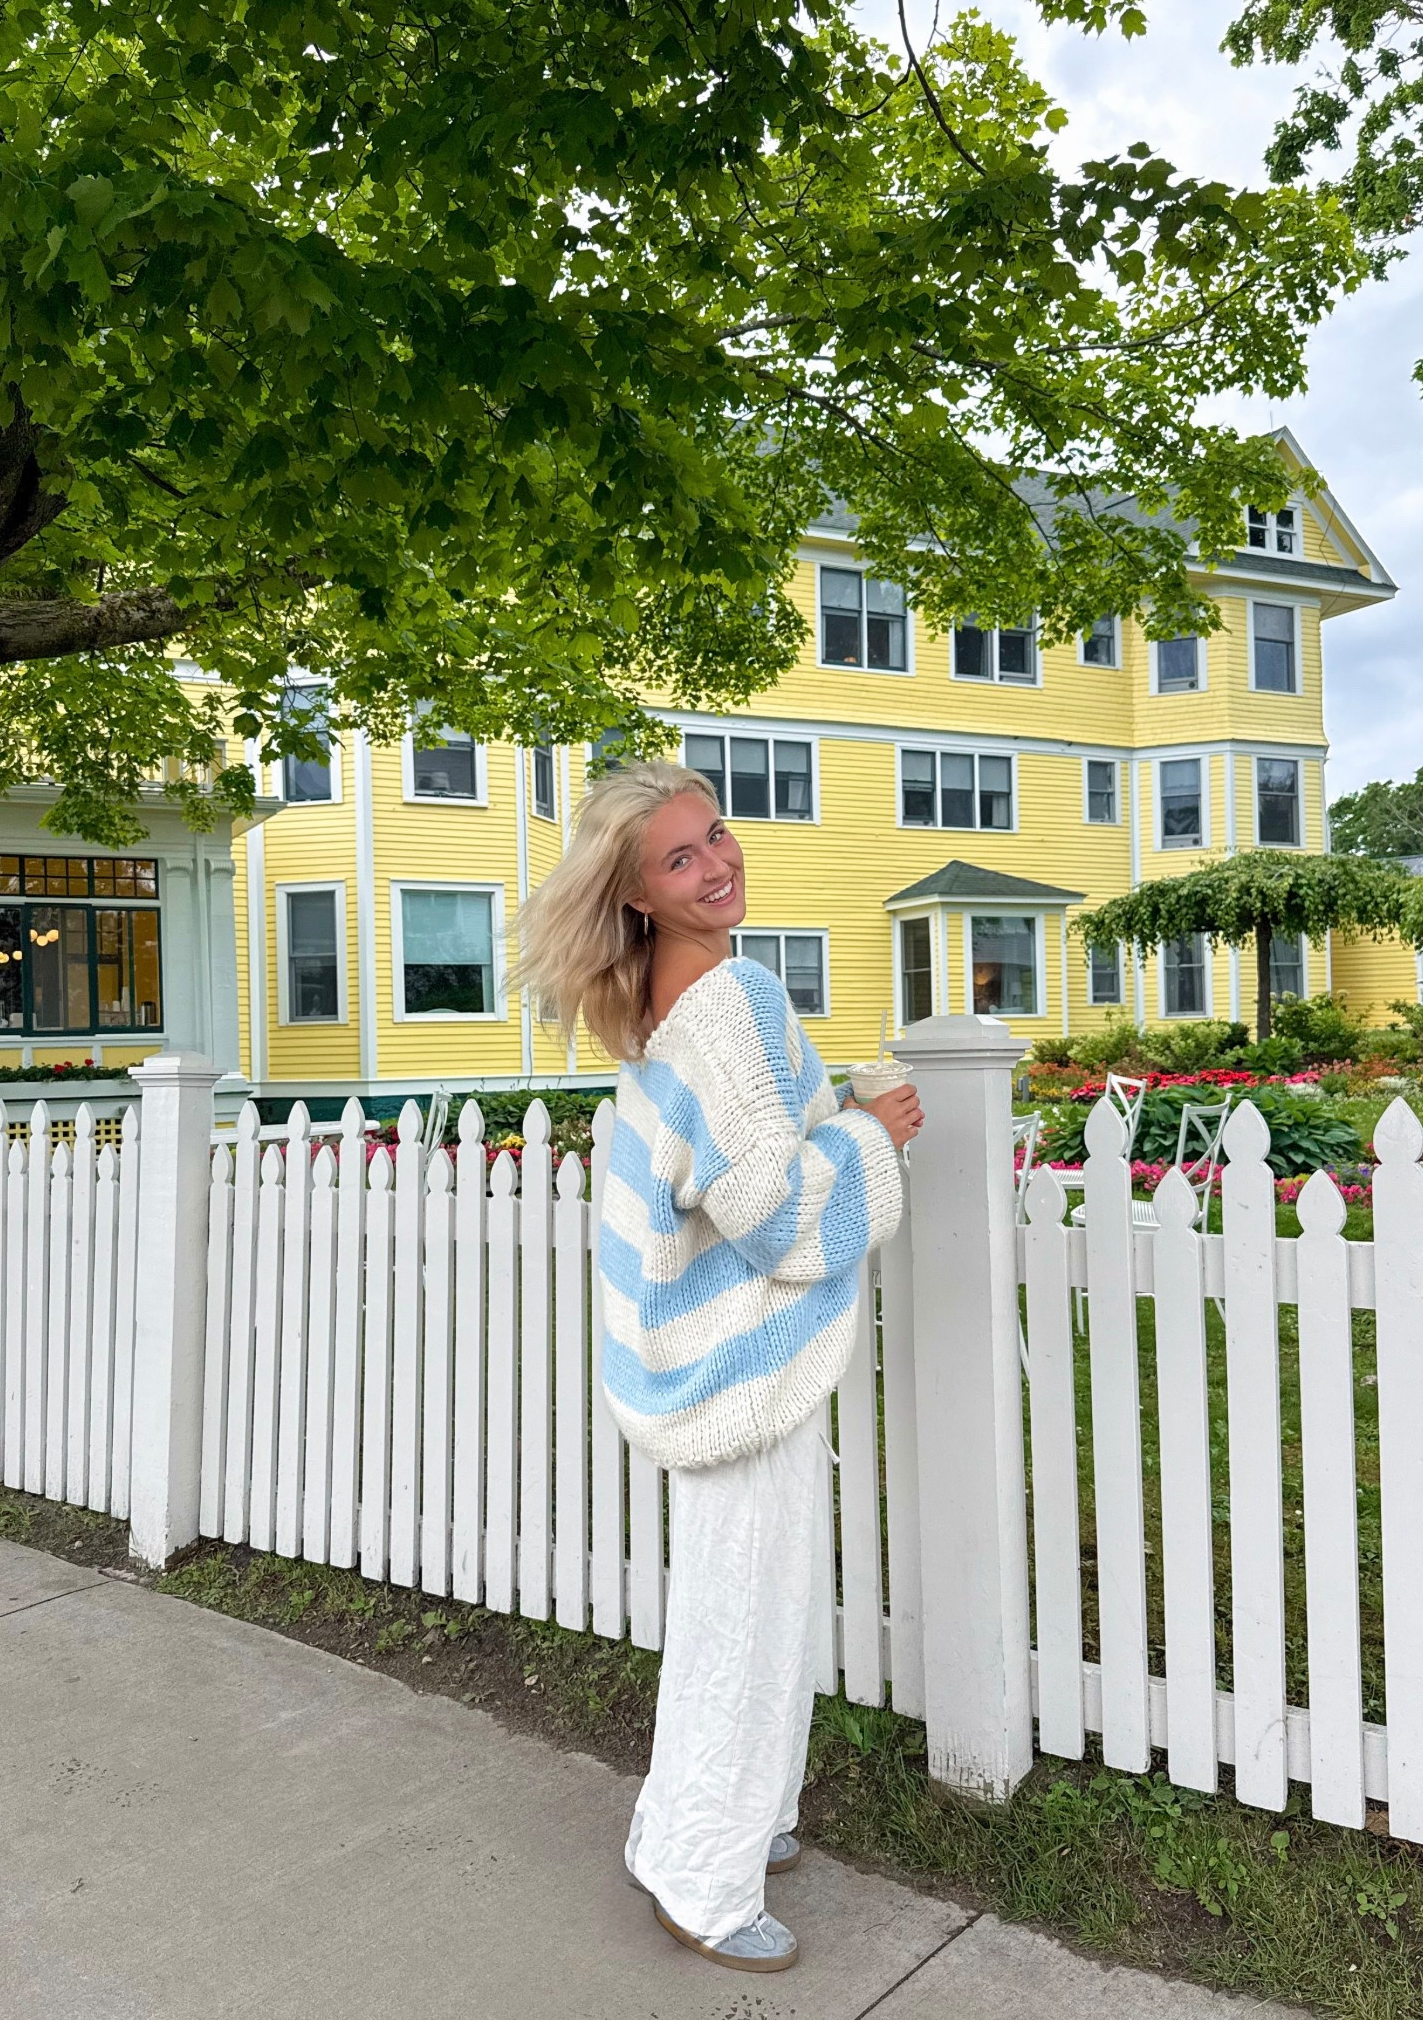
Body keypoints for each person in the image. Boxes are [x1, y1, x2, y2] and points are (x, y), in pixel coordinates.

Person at [517, 759, 920, 1974]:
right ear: (638, 894)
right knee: (748, 1618)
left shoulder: (657, 1003)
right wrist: (869, 1132)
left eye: (718, 835)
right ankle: (703, 1875)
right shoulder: (728, 998)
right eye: (680, 859)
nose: (718, 863)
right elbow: (776, 1211)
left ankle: (714, 1825)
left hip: (696, 1361)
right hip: (737, 1364)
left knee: (737, 1609)